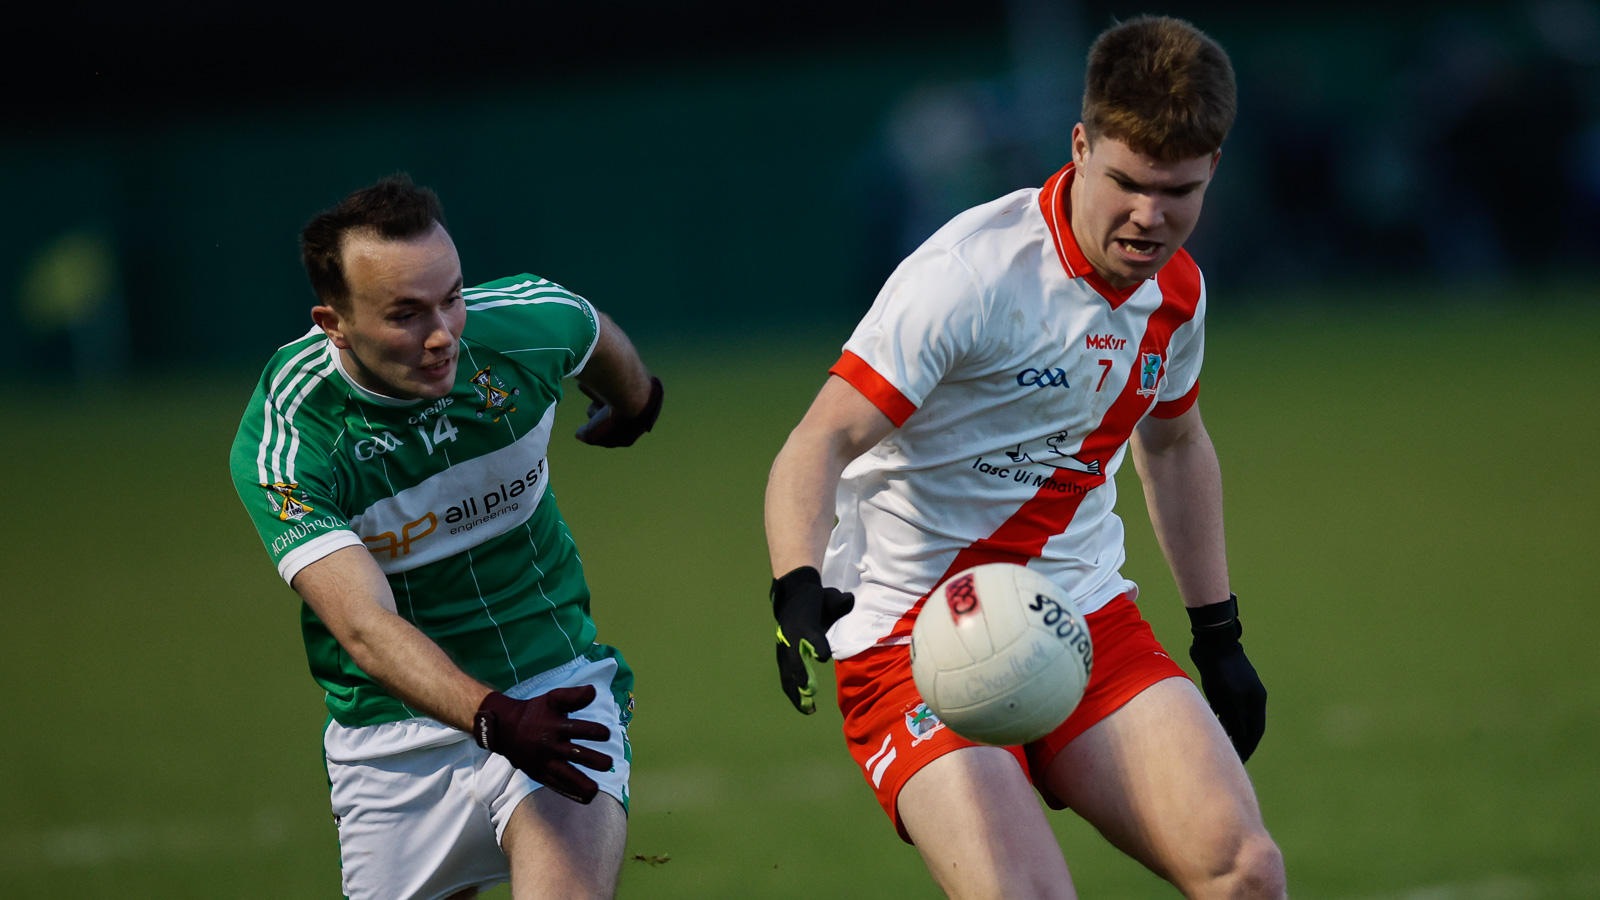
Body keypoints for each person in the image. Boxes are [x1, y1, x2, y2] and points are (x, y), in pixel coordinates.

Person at [765, 16, 1287, 900]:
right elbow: (822, 438)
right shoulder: (968, 277)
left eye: (1179, 191)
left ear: (1213, 169)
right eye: (1126, 183)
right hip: (914, 640)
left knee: (1246, 872)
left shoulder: (1176, 292)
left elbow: (1174, 444)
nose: (1149, 217)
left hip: (1079, 613)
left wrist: (1218, 634)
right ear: (1080, 147)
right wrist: (794, 582)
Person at [228, 174, 663, 900]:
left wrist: (636, 400)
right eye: (405, 314)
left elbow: (588, 329)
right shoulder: (293, 433)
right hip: (391, 743)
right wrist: (492, 718)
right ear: (335, 323)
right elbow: (364, 627)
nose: (441, 335)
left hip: (553, 689)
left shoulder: (519, 327)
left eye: (451, 297)